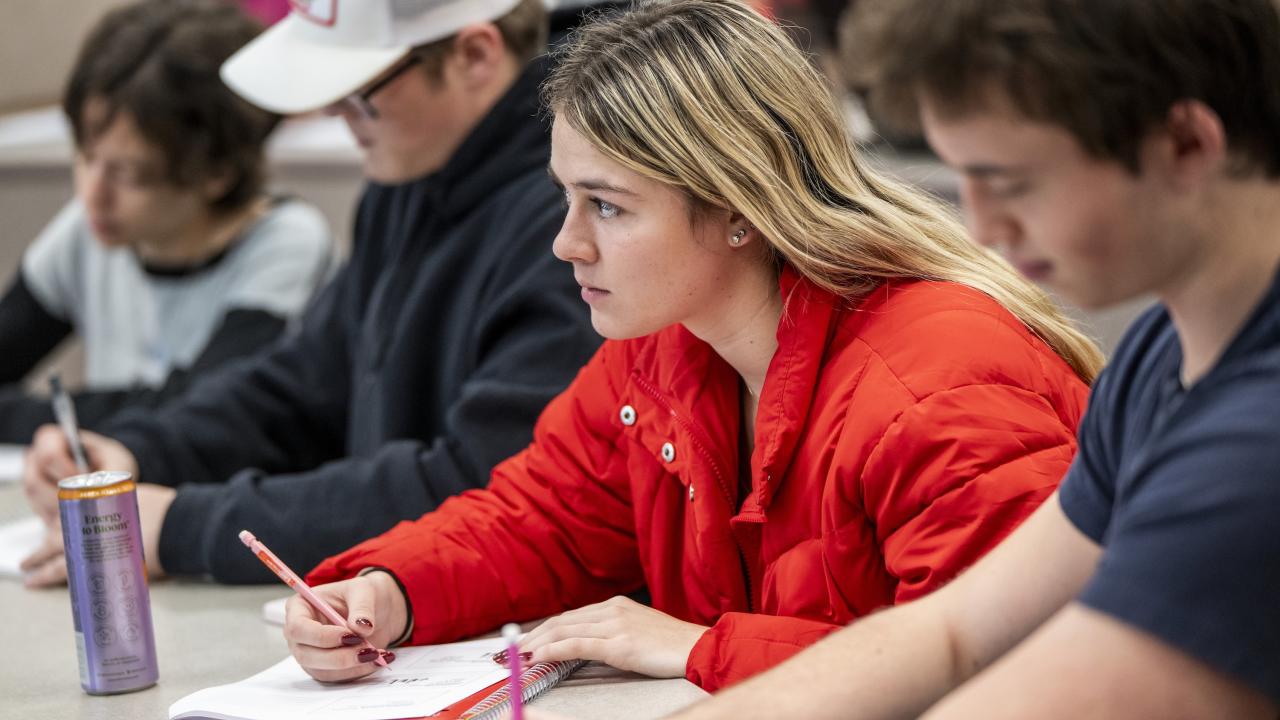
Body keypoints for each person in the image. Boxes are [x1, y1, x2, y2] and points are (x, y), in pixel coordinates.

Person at [281, 0, 1101, 691]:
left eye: (607, 206)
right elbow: (542, 520)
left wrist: (704, 648)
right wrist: (389, 589)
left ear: (740, 207)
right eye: (566, 198)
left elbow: (1015, 672)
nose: (566, 244)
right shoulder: (663, 350)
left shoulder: (938, 387)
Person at [653, 0, 1280, 717]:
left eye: (1011, 183)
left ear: (1186, 145)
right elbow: (955, 631)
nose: (981, 225)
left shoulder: (1258, 442)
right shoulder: (1166, 351)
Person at [20, 0, 600, 588]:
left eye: (359, 91)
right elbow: (304, 385)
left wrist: (178, 527)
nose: (332, 111)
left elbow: (480, 482)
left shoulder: (567, 229)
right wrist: (140, 454)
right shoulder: (409, 180)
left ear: (474, 55)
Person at [0, 0, 333, 443]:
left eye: (130, 175)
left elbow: (196, 412)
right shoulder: (90, 226)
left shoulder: (287, 243)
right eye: (86, 156)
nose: (92, 194)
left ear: (217, 173)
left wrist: (24, 417)